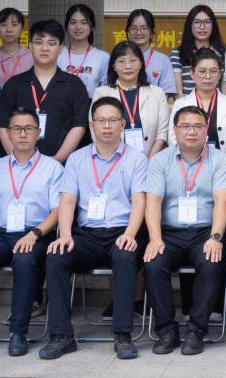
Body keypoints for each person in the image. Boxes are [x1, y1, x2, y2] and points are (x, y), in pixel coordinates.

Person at [40, 97, 149, 360]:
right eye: (101, 120)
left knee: (124, 257)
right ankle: (61, 335)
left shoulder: (136, 159)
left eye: (113, 120)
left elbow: (139, 201)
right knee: (56, 257)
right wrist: (65, 234)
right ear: (92, 125)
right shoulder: (76, 159)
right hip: (86, 234)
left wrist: (130, 234)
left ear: (123, 124)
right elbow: (68, 200)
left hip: (123, 230)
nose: (107, 126)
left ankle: (122, 334)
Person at [0, 107, 65, 357]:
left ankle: (18, 332)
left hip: (36, 233)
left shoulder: (52, 168)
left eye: (29, 128)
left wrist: (35, 234)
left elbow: (57, 211)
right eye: (17, 129)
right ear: (7, 133)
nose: (23, 134)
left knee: (24, 260)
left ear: (38, 132)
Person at [141, 105, 226, 356]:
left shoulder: (220, 160)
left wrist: (216, 237)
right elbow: (153, 201)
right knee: (153, 265)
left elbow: (222, 201)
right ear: (175, 130)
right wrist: (155, 238)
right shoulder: (160, 160)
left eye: (198, 126)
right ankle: (166, 331)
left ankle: (196, 331)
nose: (192, 132)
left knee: (211, 263)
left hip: (204, 232)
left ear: (206, 130)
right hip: (168, 233)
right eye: (185, 126)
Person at [0, 20, 91, 163]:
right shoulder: (13, 84)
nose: (44, 48)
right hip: (19, 166)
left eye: (51, 43)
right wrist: (19, 160)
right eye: (39, 42)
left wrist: (56, 160)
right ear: (30, 46)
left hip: (61, 166)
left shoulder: (74, 85)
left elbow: (79, 126)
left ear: (60, 48)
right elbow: (3, 125)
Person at [93, 41, 170, 158]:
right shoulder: (101, 93)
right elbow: (96, 131)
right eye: (121, 61)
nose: (128, 66)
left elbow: (162, 133)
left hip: (150, 160)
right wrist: (114, 161)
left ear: (141, 64)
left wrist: (149, 162)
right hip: (112, 160)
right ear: (113, 66)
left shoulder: (157, 93)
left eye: (133, 60)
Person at [170, 47, 226, 162]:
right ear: (192, 74)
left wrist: (225, 165)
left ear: (220, 74)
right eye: (202, 71)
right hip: (189, 166)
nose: (208, 76)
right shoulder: (180, 104)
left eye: (213, 71)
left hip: (224, 166)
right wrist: (190, 164)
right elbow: (173, 138)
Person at [171, 4, 226, 99]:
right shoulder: (178, 53)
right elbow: (178, 92)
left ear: (213, 25)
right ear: (190, 25)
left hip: (216, 104)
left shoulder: (223, 53)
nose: (202, 27)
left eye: (207, 22)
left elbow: (224, 86)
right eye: (197, 22)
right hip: (188, 105)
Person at [56, 3, 109, 98]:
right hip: (60, 105)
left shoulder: (103, 57)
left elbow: (105, 91)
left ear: (92, 27)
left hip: (91, 105)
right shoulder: (57, 53)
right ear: (66, 27)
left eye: (84, 23)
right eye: (73, 22)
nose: (78, 27)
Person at [124, 9, 176, 100]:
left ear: (152, 31)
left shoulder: (163, 60)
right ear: (128, 31)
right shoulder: (119, 58)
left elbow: (166, 94)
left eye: (144, 28)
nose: (138, 32)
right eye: (133, 28)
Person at [0, 7, 32, 88]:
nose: (9, 30)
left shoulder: (32, 58)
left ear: (22, 28)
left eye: (14, 25)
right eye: (3, 25)